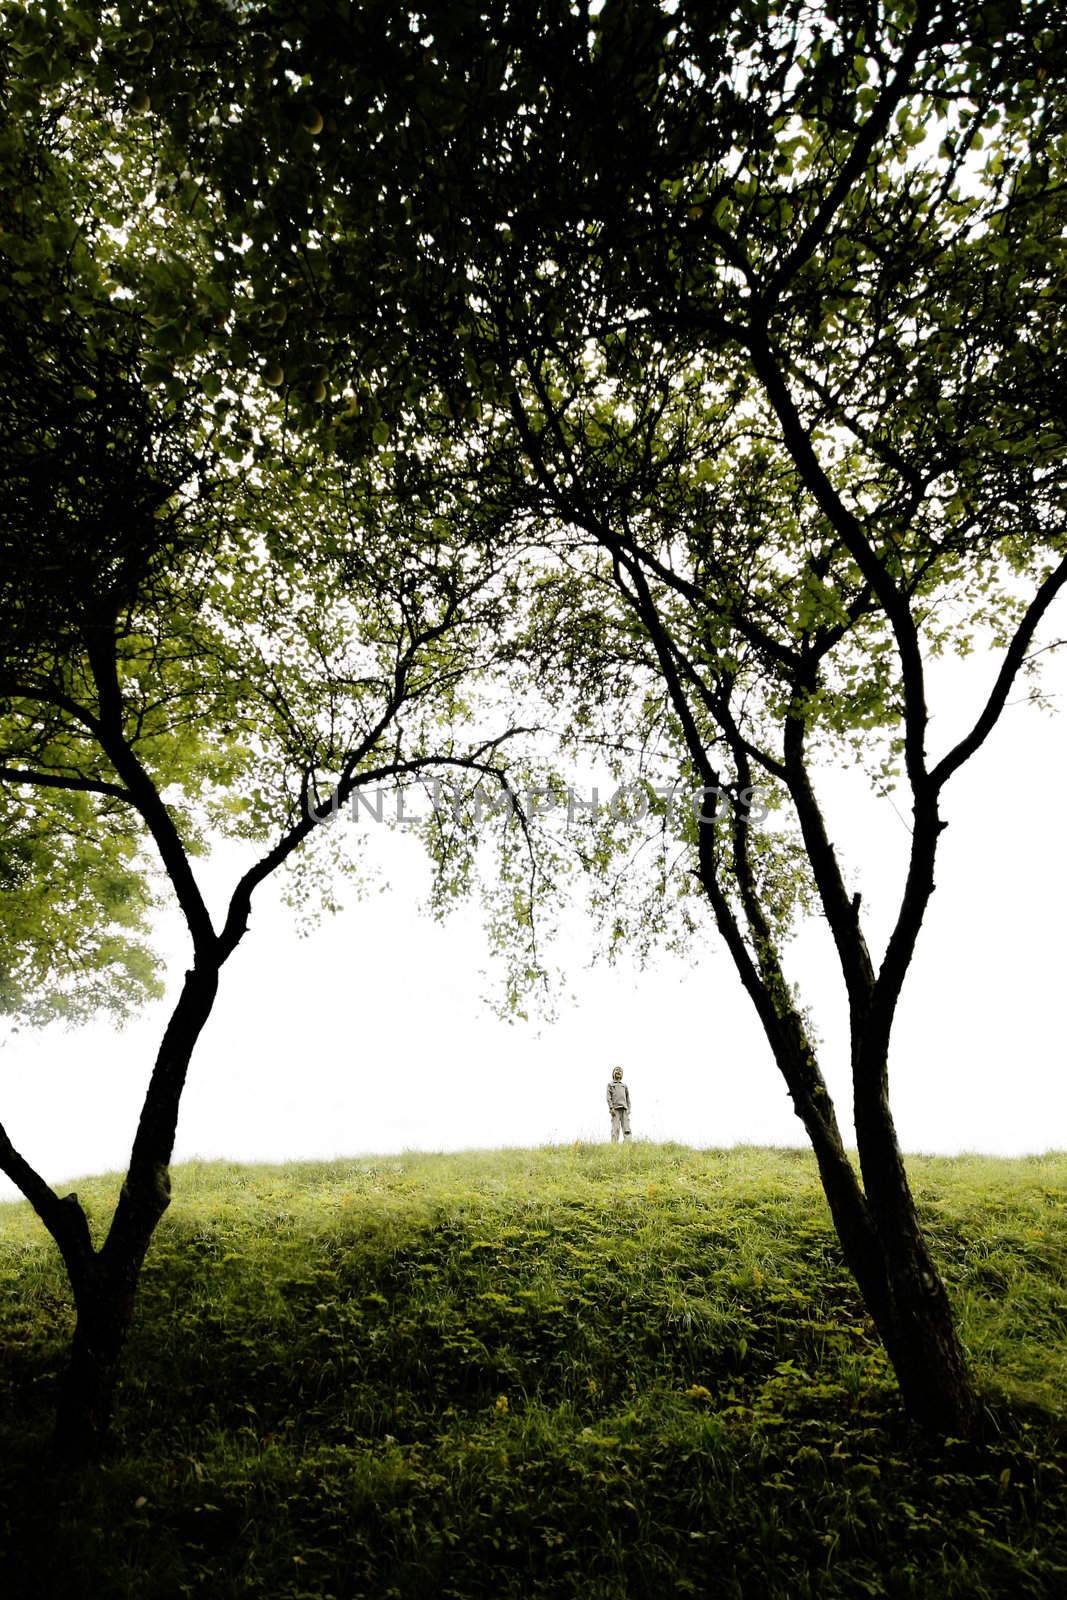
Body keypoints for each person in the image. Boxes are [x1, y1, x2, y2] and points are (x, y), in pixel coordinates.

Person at [606, 1066, 631, 1142]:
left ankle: (628, 1143)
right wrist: (611, 1108)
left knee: (626, 1128)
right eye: (616, 1070)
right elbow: (608, 1097)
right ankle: (614, 1144)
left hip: (624, 1109)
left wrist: (629, 1109)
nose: (618, 1072)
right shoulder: (610, 1085)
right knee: (615, 1128)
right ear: (613, 1073)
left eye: (620, 1071)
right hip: (615, 1109)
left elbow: (628, 1098)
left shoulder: (624, 1086)